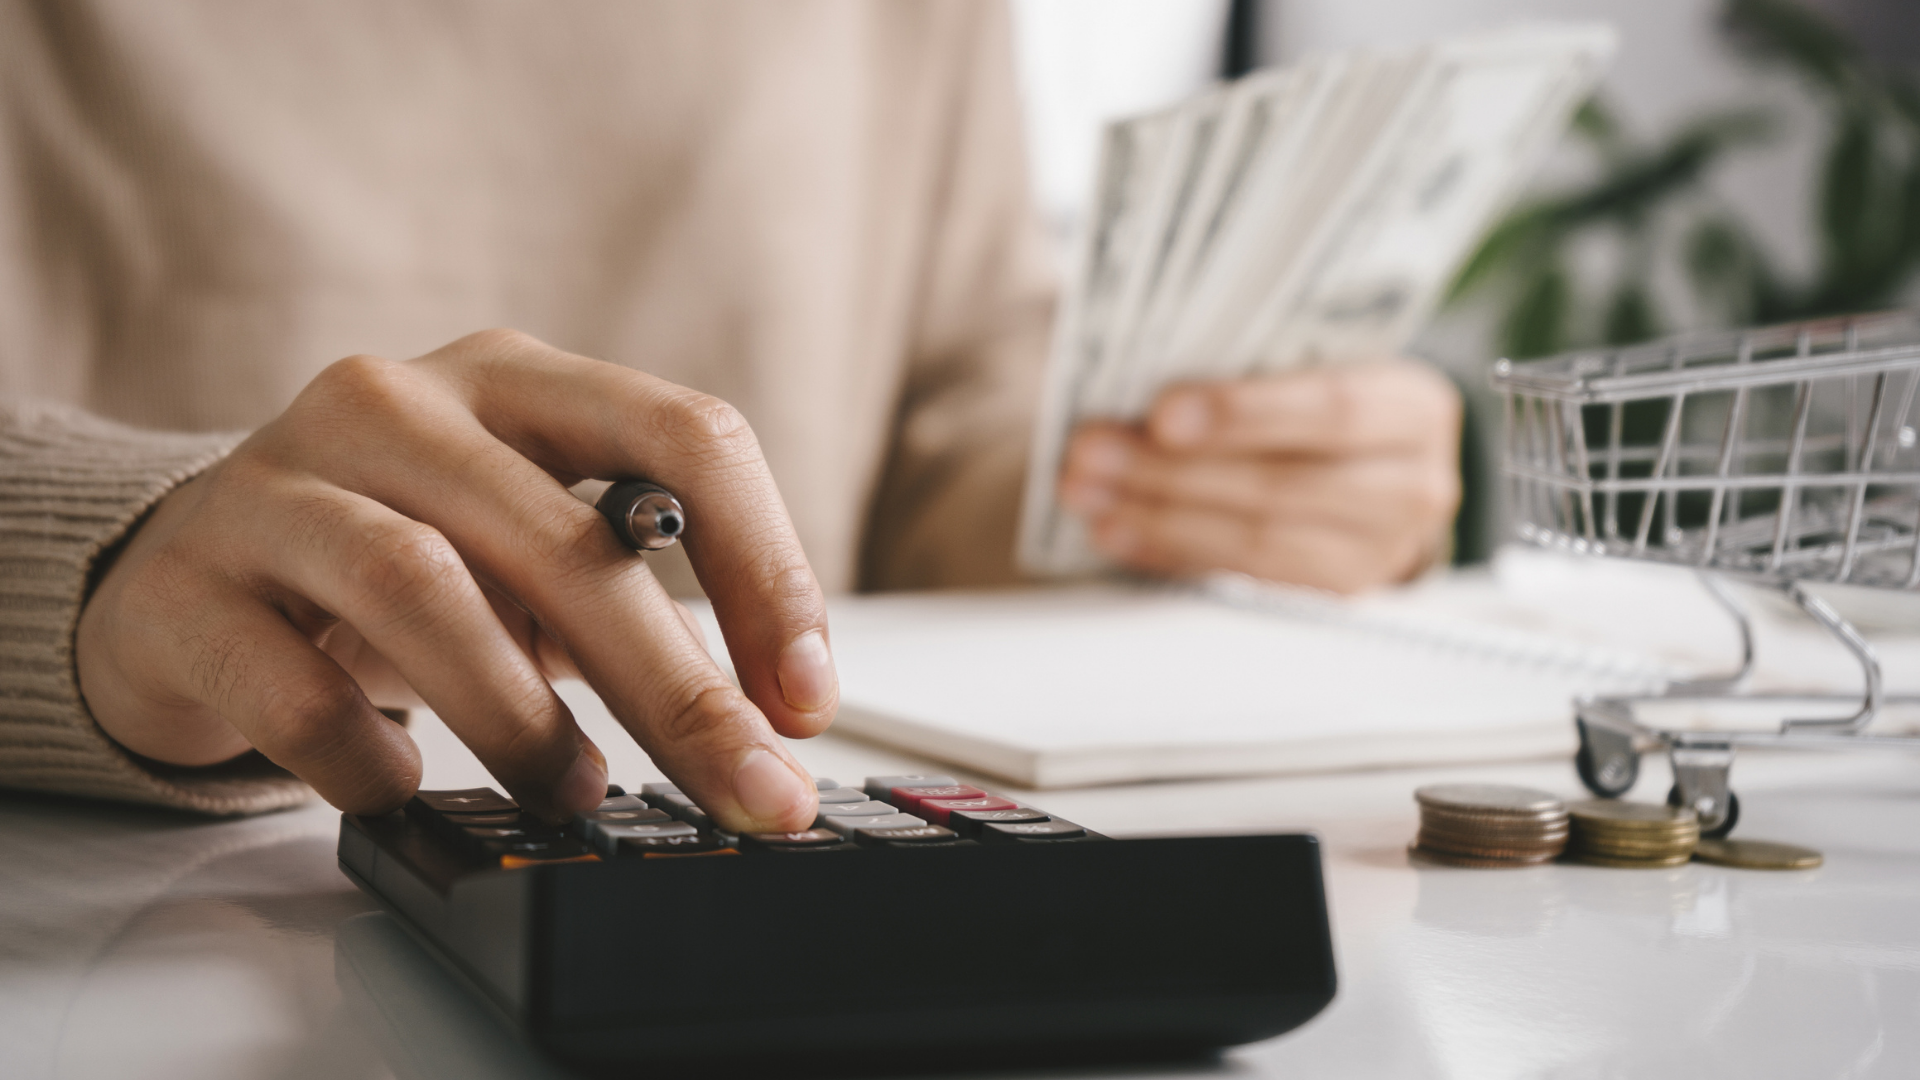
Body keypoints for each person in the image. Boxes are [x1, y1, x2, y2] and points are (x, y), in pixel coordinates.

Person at [0, 1, 1459, 832]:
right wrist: (105, 557)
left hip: (774, 850)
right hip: (130, 902)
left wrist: (1197, 469)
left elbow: (957, 402)